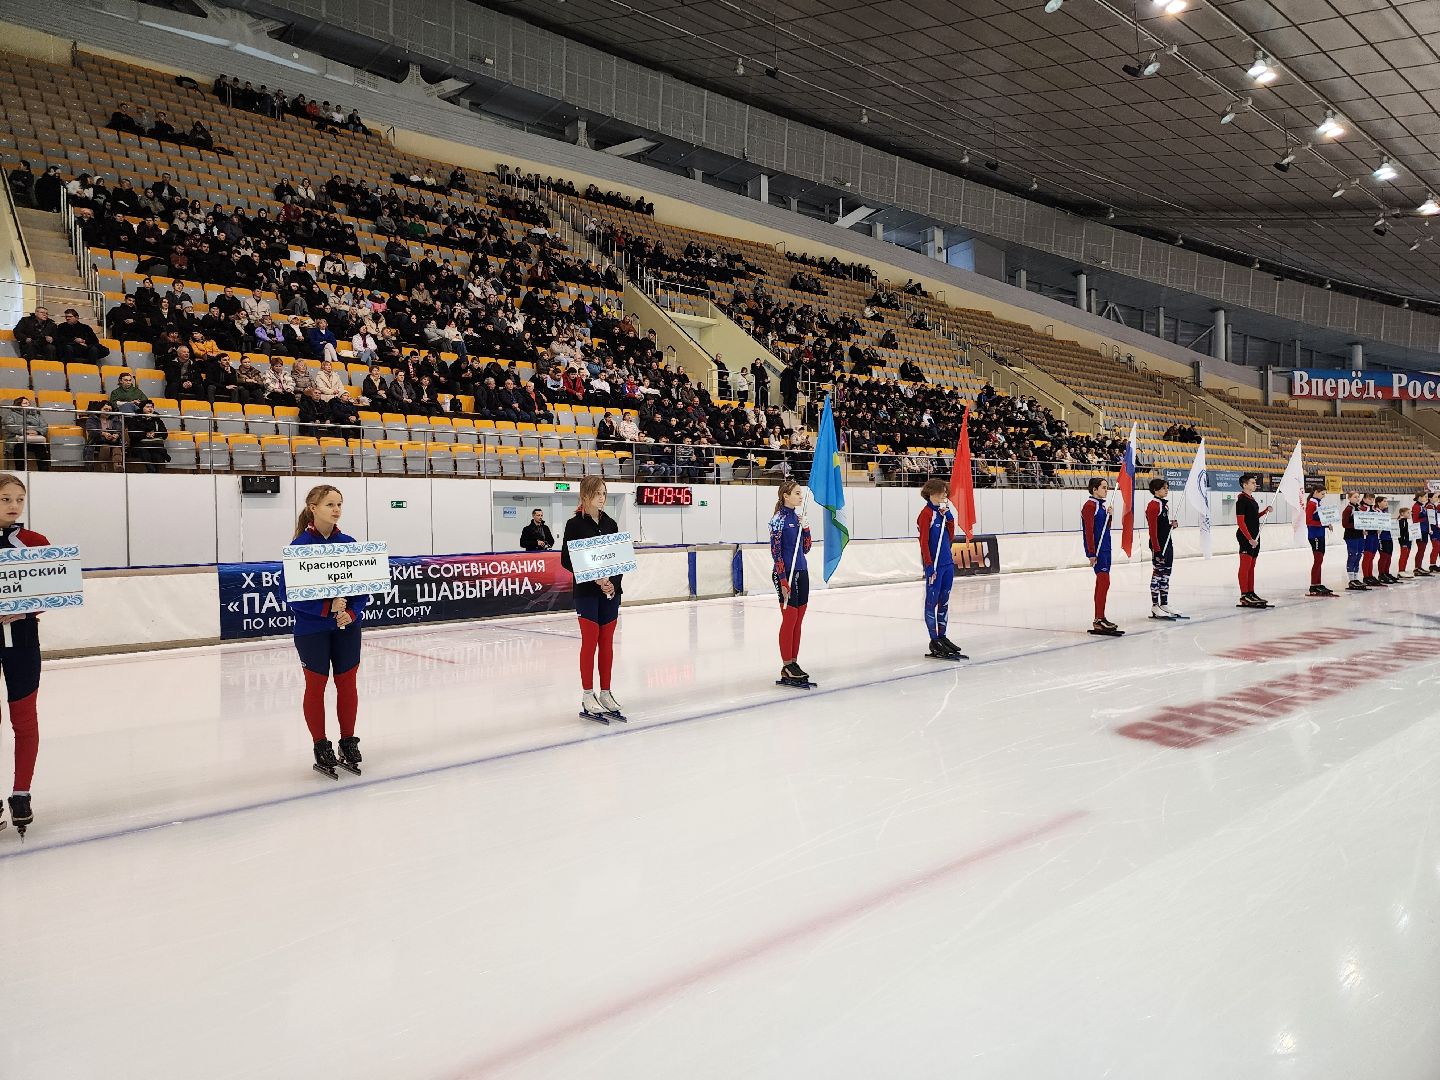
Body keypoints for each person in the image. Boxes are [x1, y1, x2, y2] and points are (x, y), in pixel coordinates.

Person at [288, 485, 367, 778]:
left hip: (347, 627)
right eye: (330, 504)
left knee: (347, 684)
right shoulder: (299, 548)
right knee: (316, 687)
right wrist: (327, 608)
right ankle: (321, 745)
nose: (336, 509)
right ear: (313, 507)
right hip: (312, 630)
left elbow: (363, 588)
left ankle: (348, 741)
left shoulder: (349, 543)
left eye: (339, 504)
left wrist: (351, 612)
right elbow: (292, 595)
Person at [0, 474, 45, 835]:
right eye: (5, 499)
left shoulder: (35, 543)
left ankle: (21, 792)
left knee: (24, 720)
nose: (14, 506)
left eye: (19, 499)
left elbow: (53, 591)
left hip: (23, 642)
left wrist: (27, 606)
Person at [559, 475, 625, 722]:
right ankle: (588, 694)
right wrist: (594, 578)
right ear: (585, 495)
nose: (602, 498)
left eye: (604, 493)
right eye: (597, 493)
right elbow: (567, 560)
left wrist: (612, 584)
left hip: (610, 593)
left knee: (606, 642)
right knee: (590, 641)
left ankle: (605, 692)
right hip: (586, 592)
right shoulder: (574, 525)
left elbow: (617, 560)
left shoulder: (611, 523)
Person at [770, 478, 814, 685]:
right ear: (785, 495)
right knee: (790, 618)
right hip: (785, 573)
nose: (800, 496)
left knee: (799, 619)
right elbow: (776, 553)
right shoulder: (778, 520)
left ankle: (793, 663)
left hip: (802, 571)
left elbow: (805, 548)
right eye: (797, 493)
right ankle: (787, 664)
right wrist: (782, 579)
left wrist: (806, 529)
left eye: (800, 493)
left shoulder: (798, 518)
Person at [916, 478, 963, 659]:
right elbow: (924, 542)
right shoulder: (926, 514)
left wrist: (949, 516)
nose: (945, 496)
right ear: (932, 493)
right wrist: (928, 566)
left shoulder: (942, 513)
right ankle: (934, 639)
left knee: (944, 602)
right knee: (931, 603)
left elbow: (950, 536)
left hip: (947, 564)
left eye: (946, 493)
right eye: (943, 493)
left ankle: (942, 637)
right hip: (934, 566)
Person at [1082, 477, 1122, 635]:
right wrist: (1091, 553)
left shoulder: (1102, 505)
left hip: (1106, 548)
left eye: (1107, 487)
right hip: (1097, 550)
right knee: (1104, 580)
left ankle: (1101, 618)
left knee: (1104, 583)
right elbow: (1088, 531)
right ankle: (1098, 618)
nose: (1107, 490)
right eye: (1104, 487)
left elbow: (1106, 528)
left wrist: (1110, 516)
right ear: (1094, 489)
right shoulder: (1089, 506)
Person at [1144, 477, 1185, 618]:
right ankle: (1155, 605)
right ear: (1156, 490)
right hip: (1159, 546)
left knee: (1166, 574)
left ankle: (1164, 603)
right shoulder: (1153, 505)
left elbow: (1162, 527)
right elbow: (1153, 530)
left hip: (1168, 543)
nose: (1166, 490)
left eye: (1167, 487)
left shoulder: (1164, 505)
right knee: (1158, 574)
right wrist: (1157, 549)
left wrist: (1170, 526)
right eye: (1164, 488)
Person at [1235, 473, 1270, 607]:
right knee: (1245, 566)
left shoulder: (1251, 499)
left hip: (1255, 536)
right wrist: (1249, 538)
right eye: (1252, 483)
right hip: (1246, 538)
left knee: (1252, 566)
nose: (1255, 485)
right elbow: (1241, 522)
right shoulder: (1241, 500)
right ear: (1245, 485)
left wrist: (1265, 511)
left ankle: (1250, 592)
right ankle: (1244, 595)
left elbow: (1254, 517)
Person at [2, 396, 50, 472]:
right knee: (19, 448)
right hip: (18, 440)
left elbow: (44, 426)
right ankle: (21, 472)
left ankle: (44, 472)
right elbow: (9, 426)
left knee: (41, 448)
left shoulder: (36, 414)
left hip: (34, 440)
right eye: (25, 403)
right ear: (18, 404)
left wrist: (37, 432)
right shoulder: (11, 414)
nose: (28, 405)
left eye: (28, 403)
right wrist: (24, 431)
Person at [127, 400, 169, 472]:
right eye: (147, 407)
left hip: (154, 444)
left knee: (156, 454)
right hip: (139, 445)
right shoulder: (135, 419)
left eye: (152, 407)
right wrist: (145, 434)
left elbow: (165, 434)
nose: (150, 409)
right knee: (145, 451)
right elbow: (132, 434)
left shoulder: (157, 419)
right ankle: (152, 471)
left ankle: (155, 473)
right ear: (142, 408)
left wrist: (155, 434)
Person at [1341, 491, 1366, 592]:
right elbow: (1345, 524)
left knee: (1359, 555)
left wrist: (1363, 528)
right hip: (1351, 536)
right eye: (1355, 497)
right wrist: (1357, 526)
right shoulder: (1348, 510)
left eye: (1358, 497)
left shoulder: (1359, 508)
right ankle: (1351, 579)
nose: (1357, 499)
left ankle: (1356, 577)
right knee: (1353, 555)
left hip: (1359, 535)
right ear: (1349, 498)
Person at [1358, 493, 1382, 588]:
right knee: (1367, 556)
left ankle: (1370, 575)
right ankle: (1366, 576)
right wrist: (1363, 530)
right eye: (1369, 498)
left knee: (1372, 556)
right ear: (1364, 499)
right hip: (1367, 535)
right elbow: (1359, 520)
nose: (1371, 500)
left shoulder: (1376, 510)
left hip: (1375, 534)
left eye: (1372, 499)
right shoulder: (1361, 509)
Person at [1375, 495, 1397, 585]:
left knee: (1389, 555)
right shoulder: (1376, 512)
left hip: (1388, 536)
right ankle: (1381, 574)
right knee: (1383, 556)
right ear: (1378, 503)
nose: (1386, 503)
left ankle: (1386, 572)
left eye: (1386, 501)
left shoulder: (1385, 511)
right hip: (1381, 537)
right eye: (1384, 501)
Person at [1410, 492, 1431, 577]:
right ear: (1419, 497)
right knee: (1420, 549)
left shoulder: (1422, 506)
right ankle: (1417, 568)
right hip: (1420, 530)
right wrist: (1426, 518)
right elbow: (1415, 520)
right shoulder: (1416, 507)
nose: (1426, 498)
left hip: (1425, 530)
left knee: (1422, 550)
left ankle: (1419, 566)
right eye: (1425, 497)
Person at [1397, 504, 1414, 579]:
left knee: (1406, 556)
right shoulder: (1401, 522)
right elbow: (1400, 534)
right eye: (1408, 513)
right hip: (1404, 542)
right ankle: (1401, 571)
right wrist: (1402, 543)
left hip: (1408, 541)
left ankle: (1403, 570)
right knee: (1403, 556)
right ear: (1402, 513)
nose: (1410, 514)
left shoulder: (1406, 521)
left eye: (1410, 513)